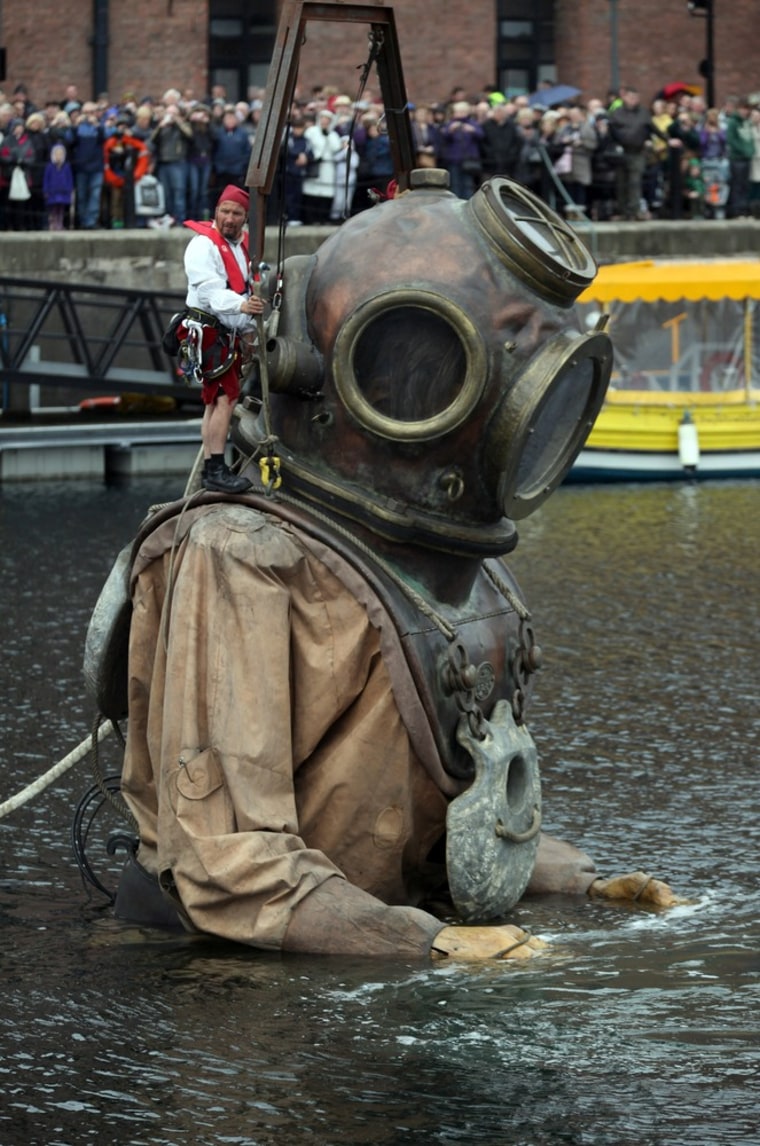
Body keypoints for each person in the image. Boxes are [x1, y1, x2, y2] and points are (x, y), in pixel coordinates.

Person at [93, 173, 683, 962]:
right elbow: (230, 864)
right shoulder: (240, 554)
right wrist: (430, 946)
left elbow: (440, 808)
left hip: (377, 936)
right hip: (249, 998)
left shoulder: (460, 563)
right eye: (426, 366)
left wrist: (577, 883)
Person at [178, 184, 265, 494]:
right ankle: (215, 468)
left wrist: (247, 328)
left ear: (245, 217)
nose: (229, 218)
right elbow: (209, 291)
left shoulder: (243, 247)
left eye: (236, 213)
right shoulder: (202, 246)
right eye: (225, 211)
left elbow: (243, 286)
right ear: (216, 212)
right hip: (209, 330)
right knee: (224, 399)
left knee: (216, 401)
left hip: (226, 330)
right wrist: (242, 307)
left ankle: (212, 465)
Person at [42, 141, 74, 230]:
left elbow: (69, 178)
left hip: (64, 191)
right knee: (53, 209)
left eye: (61, 154)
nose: (59, 156)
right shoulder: (49, 166)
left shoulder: (67, 166)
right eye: (57, 154)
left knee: (61, 209)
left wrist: (70, 189)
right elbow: (46, 179)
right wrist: (46, 190)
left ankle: (60, 223)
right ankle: (53, 223)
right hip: (53, 191)